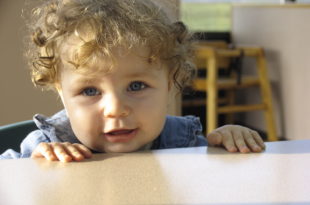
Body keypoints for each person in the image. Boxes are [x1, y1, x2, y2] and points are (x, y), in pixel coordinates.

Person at [0, 0, 265, 162]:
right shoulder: (44, 147)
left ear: (170, 83)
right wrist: (33, 174)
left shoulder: (183, 141)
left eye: (136, 86)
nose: (115, 109)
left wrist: (226, 146)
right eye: (90, 90)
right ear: (62, 92)